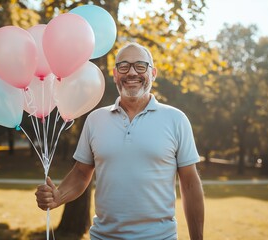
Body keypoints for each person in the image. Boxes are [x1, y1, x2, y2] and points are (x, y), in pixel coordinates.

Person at [35, 42, 205, 240]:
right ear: (115, 74)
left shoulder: (176, 119)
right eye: (124, 66)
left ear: (153, 73)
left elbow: (190, 184)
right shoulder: (95, 119)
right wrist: (58, 197)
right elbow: (81, 173)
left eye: (140, 66)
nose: (131, 73)